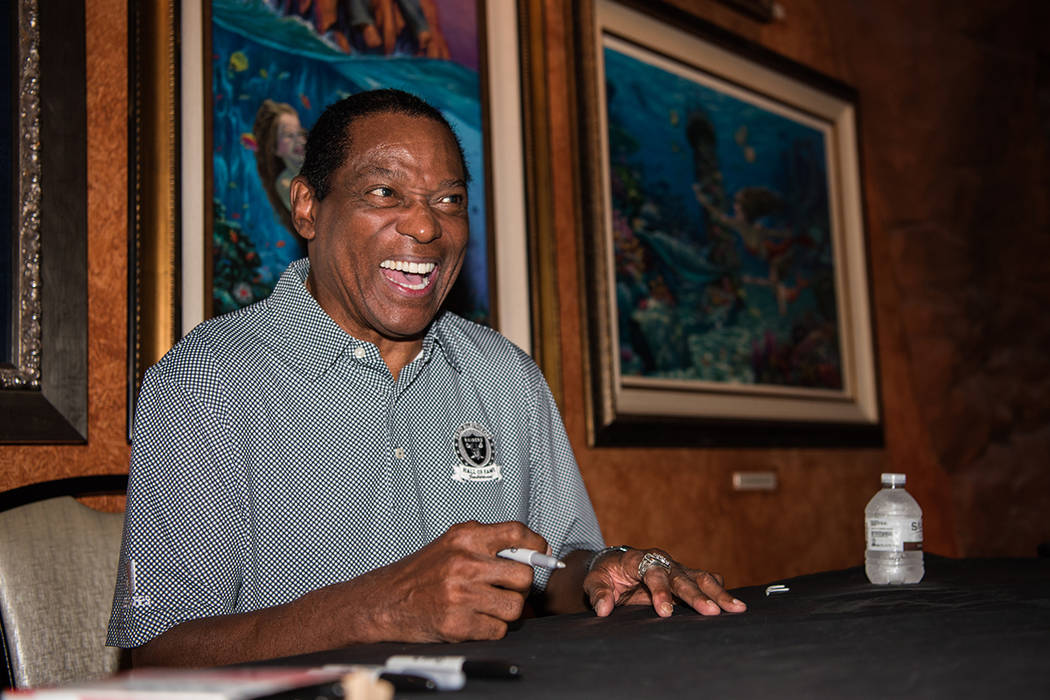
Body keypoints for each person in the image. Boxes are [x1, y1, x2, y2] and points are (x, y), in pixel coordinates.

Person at [107, 89, 745, 668]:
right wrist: (380, 606)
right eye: (384, 192)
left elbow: (554, 568)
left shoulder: (507, 375)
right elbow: (160, 655)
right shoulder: (204, 378)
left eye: (449, 200)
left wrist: (606, 570)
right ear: (306, 207)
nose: (426, 226)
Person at [252, 99, 307, 234]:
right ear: (275, 147)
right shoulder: (285, 184)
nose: (298, 140)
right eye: (289, 135)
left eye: (300, 133)